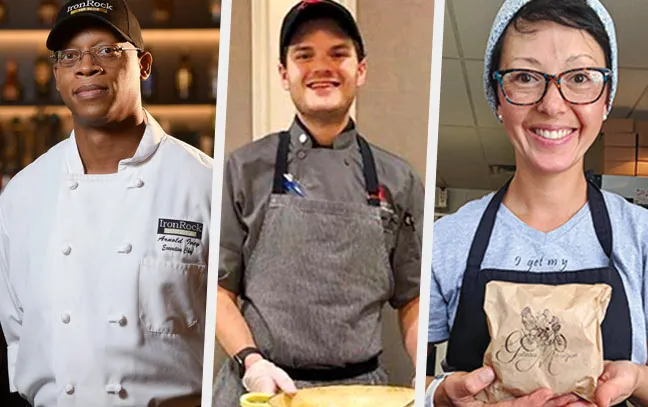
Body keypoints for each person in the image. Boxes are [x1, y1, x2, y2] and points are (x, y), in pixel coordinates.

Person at [426, 0, 648, 406]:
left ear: (606, 97)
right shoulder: (447, 240)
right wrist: (440, 395)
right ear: (498, 94)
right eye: (526, 77)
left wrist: (635, 379)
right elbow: (403, 377)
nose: (553, 104)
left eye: (580, 77)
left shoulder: (642, 236)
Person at [0, 0, 213, 406]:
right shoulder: (22, 196)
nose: (87, 66)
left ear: (144, 65)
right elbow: (17, 329)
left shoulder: (204, 184)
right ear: (58, 75)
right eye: (70, 56)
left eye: (107, 50)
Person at [214, 0, 424, 405]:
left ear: (360, 70)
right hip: (264, 390)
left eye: (338, 54)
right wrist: (253, 364)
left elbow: (412, 298)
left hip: (360, 395)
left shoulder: (398, 179)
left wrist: (424, 375)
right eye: (304, 55)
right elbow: (220, 292)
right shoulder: (243, 170)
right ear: (283, 73)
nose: (322, 67)